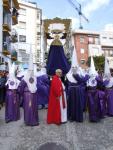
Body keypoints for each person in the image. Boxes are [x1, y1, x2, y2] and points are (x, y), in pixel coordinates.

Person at [19, 53, 39, 126]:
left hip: (33, 95)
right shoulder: (25, 78)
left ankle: (33, 120)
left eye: (32, 70)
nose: (31, 72)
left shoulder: (35, 77)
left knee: (33, 108)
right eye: (30, 70)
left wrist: (21, 93)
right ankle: (29, 121)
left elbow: (21, 88)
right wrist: (22, 95)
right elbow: (21, 87)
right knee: (29, 108)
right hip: (27, 95)